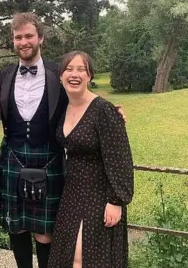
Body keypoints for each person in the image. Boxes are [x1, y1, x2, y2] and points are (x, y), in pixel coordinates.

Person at [48, 51, 134, 267]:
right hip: (72, 192)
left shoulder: (103, 110)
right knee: (67, 257)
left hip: (100, 194)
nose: (74, 74)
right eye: (69, 69)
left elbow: (120, 159)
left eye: (81, 69)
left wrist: (116, 201)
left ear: (90, 76)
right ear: (60, 75)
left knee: (86, 258)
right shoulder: (63, 107)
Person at [0, 12, 68, 268]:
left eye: (29, 36)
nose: (23, 41)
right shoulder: (4, 75)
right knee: (16, 229)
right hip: (12, 158)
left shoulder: (58, 73)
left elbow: (82, 100)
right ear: (13, 41)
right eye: (18, 37)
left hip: (49, 158)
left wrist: (110, 111)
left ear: (41, 38)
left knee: (44, 233)